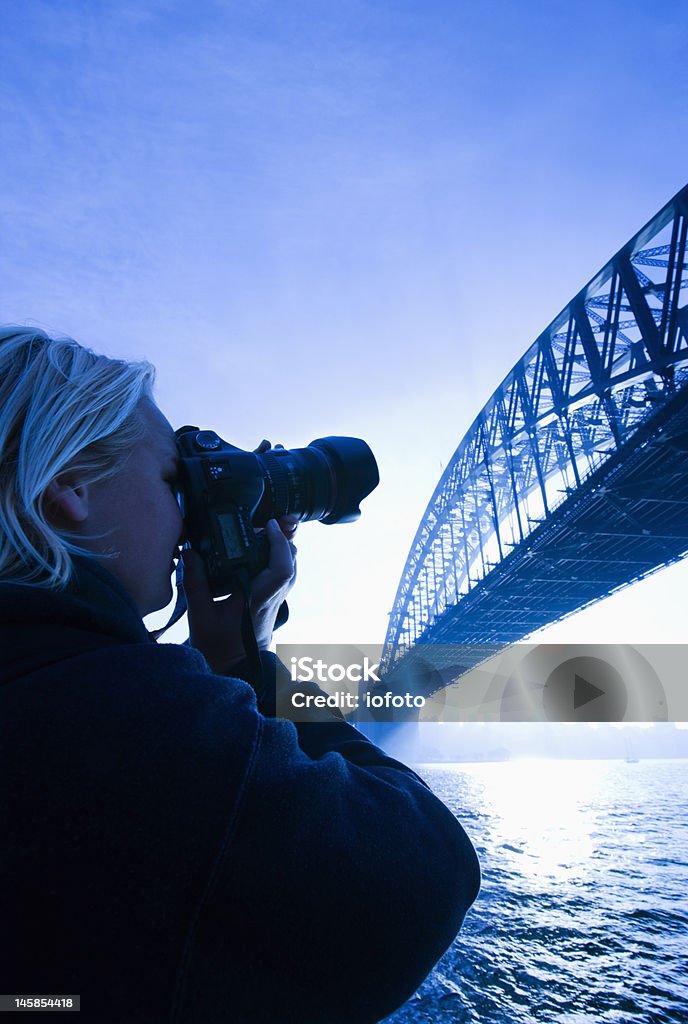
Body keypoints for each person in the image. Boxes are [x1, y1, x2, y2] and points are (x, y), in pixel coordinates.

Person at [0, 326, 480, 1023]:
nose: (186, 514)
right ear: (72, 481)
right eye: (173, 481)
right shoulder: (139, 721)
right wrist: (240, 655)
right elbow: (427, 874)